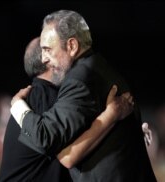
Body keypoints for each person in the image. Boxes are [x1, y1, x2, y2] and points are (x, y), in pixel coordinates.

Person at [10, 10, 156, 181]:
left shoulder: (80, 80)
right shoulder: (98, 67)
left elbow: (45, 137)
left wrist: (17, 105)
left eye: (48, 49)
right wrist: (112, 117)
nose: (43, 59)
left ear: (72, 46)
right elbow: (68, 156)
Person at [0, 37, 134, 181]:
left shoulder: (32, 98)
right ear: (48, 59)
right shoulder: (50, 100)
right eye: (65, 49)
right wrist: (112, 114)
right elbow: (69, 156)